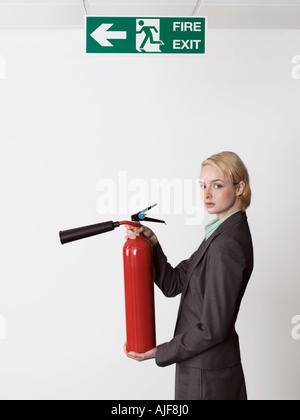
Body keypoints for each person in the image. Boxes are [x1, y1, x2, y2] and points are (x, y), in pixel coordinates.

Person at [124, 151, 254, 400]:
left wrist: (158, 352)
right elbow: (174, 283)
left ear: (239, 187)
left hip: (206, 377)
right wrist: (152, 243)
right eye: (203, 185)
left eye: (217, 185)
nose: (206, 194)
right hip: (202, 368)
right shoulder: (220, 234)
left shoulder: (227, 245)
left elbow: (212, 329)